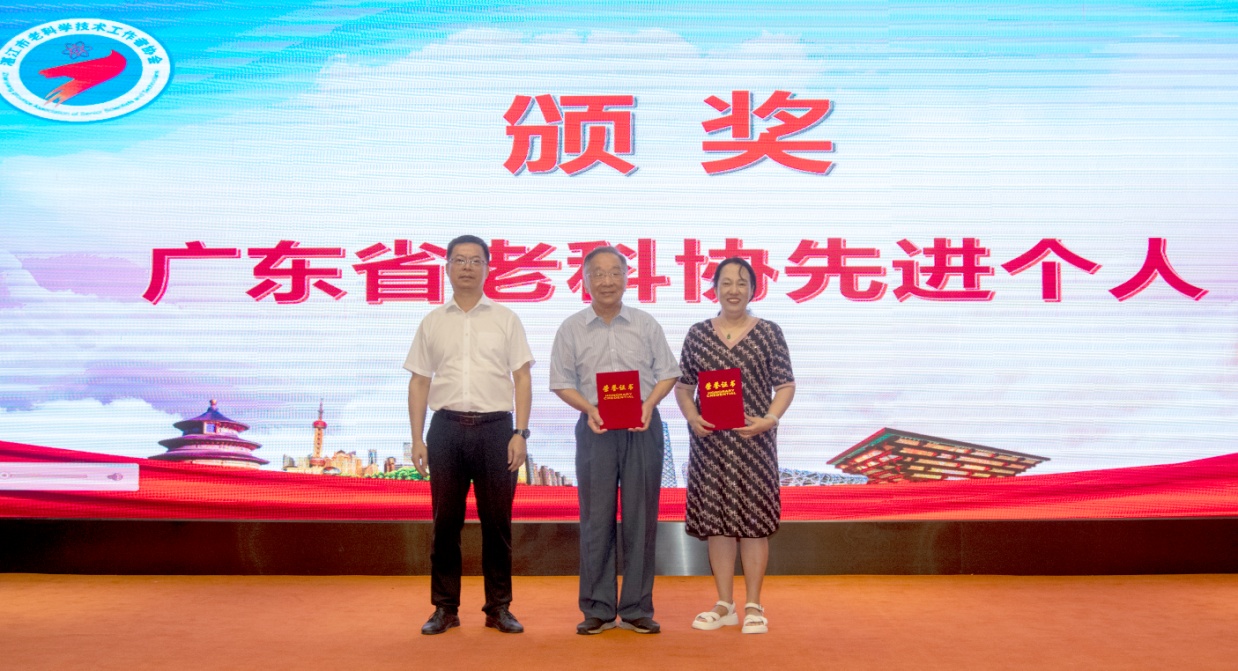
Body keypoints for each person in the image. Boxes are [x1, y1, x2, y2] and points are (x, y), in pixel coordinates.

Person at [405, 235, 533, 636]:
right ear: (446, 267)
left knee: (498, 524)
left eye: (475, 260)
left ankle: (499, 607)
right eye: (459, 260)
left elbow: (522, 377)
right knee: (445, 523)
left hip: (496, 430)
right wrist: (417, 438)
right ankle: (444, 608)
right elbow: (419, 381)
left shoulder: (506, 319)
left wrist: (520, 433)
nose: (467, 267)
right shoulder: (432, 321)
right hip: (445, 429)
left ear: (488, 268)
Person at [549, 246, 681, 636]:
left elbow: (667, 372)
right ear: (585, 280)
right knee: (596, 518)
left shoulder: (645, 324)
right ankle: (598, 607)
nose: (607, 281)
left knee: (641, 519)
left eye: (615, 272)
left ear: (626, 277)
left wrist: (649, 404)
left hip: (642, 427)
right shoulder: (571, 328)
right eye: (598, 273)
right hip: (596, 430)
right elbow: (561, 382)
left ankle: (638, 607)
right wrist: (588, 408)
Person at [673, 257, 795, 635]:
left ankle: (754, 604)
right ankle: (724, 604)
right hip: (710, 446)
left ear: (754, 289)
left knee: (754, 525)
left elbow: (785, 385)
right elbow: (683, 387)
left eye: (742, 283)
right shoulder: (697, 334)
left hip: (754, 444)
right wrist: (692, 417)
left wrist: (769, 419)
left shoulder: (769, 332)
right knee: (718, 525)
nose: (733, 290)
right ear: (714, 289)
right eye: (726, 282)